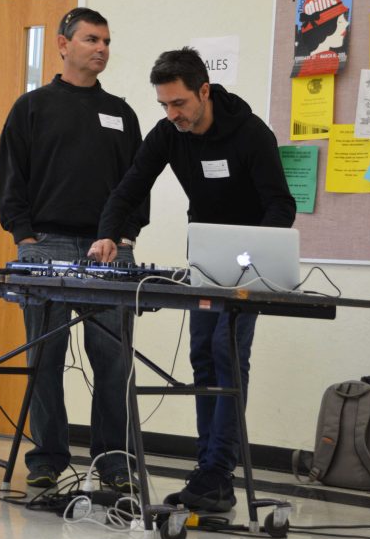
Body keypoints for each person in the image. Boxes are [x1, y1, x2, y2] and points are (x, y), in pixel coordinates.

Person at [88, 48, 296, 512]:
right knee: (202, 357)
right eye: (164, 104)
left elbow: (281, 204)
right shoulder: (169, 134)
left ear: (204, 90)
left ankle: (218, 472)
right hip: (204, 259)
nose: (171, 113)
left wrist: (257, 253)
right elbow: (129, 188)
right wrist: (107, 235)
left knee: (228, 356)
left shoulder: (250, 134)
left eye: (178, 103)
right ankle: (210, 470)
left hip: (249, 265)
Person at [0, 7, 148, 491]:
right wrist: (26, 238)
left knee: (113, 358)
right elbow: (9, 178)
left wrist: (126, 239)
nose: (101, 48)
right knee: (46, 356)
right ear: (63, 45)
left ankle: (115, 462)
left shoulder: (122, 113)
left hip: (109, 251)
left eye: (106, 40)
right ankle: (47, 459)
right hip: (47, 245)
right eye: (90, 39)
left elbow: (137, 184)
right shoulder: (32, 107)